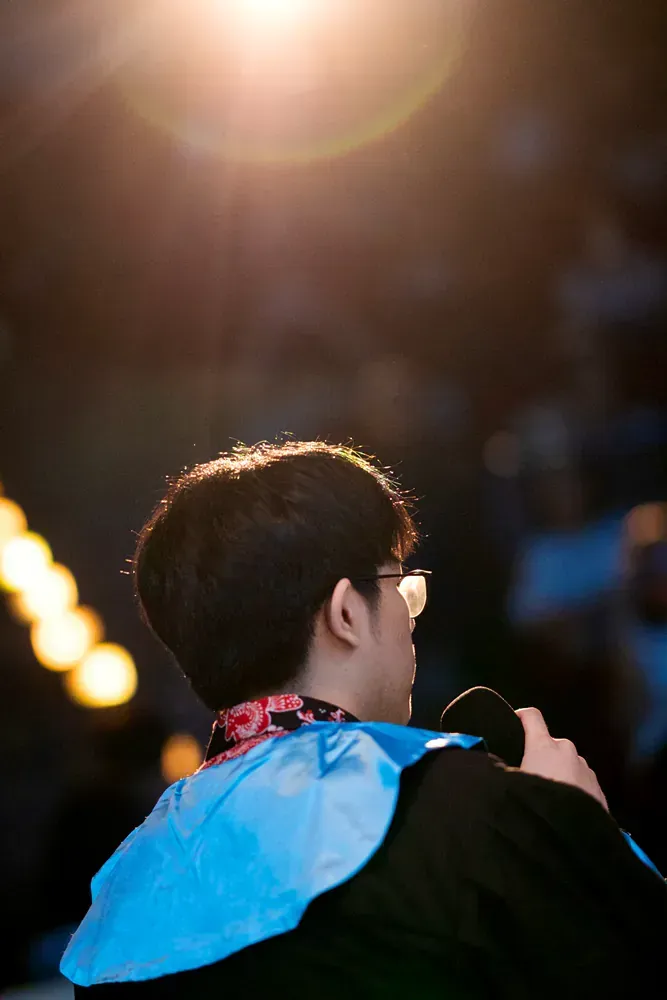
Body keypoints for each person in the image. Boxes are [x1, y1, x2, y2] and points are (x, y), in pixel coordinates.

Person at [61, 441, 666, 998]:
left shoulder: (122, 899)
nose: (410, 619)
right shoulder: (470, 809)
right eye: (403, 588)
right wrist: (577, 836)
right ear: (347, 612)